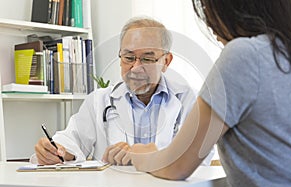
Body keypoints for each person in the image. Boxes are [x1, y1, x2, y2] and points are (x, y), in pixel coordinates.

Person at [130, 0, 291, 187]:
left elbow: (177, 165)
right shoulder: (289, 53)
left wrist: (141, 154)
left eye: (208, 9)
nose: (209, 25)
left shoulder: (245, 55)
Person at [33, 17, 214, 166]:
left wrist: (153, 156)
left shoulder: (189, 99)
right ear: (120, 58)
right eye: (129, 58)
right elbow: (71, 139)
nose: (136, 67)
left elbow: (201, 157)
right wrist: (58, 152)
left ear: (166, 61)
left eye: (147, 58)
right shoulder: (99, 101)